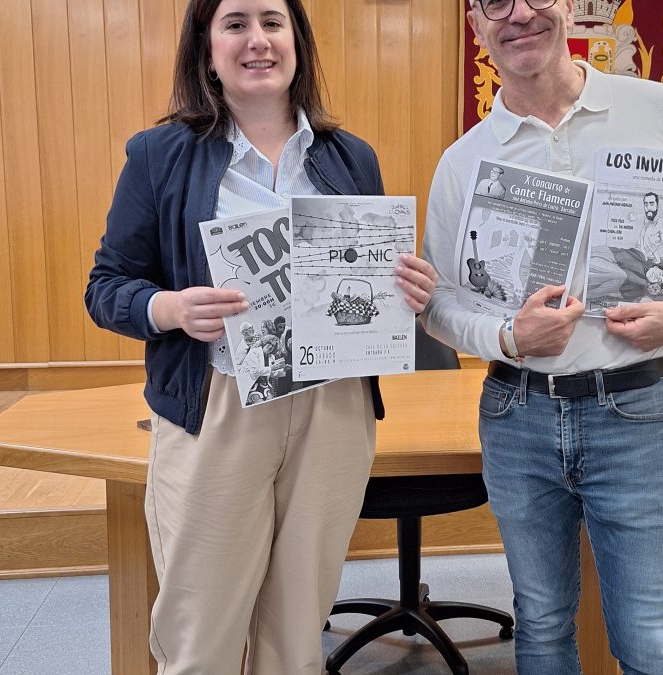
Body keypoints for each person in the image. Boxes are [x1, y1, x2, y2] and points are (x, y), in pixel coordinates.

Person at [84, 1, 437, 672]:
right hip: (217, 403)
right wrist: (170, 308)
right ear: (207, 49)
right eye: (235, 23)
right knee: (201, 627)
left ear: (297, 41)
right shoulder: (160, 154)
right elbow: (106, 286)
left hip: (333, 408)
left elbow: (368, 285)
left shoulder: (349, 156)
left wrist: (411, 290)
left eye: (273, 22)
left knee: (298, 629)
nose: (258, 41)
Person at [422, 1, 663, 674]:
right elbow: (440, 305)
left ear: (568, 6)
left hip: (631, 408)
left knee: (653, 641)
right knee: (540, 625)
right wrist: (509, 335)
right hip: (516, 414)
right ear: (476, 26)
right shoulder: (464, 160)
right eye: (493, 4)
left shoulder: (653, 109)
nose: (519, 16)